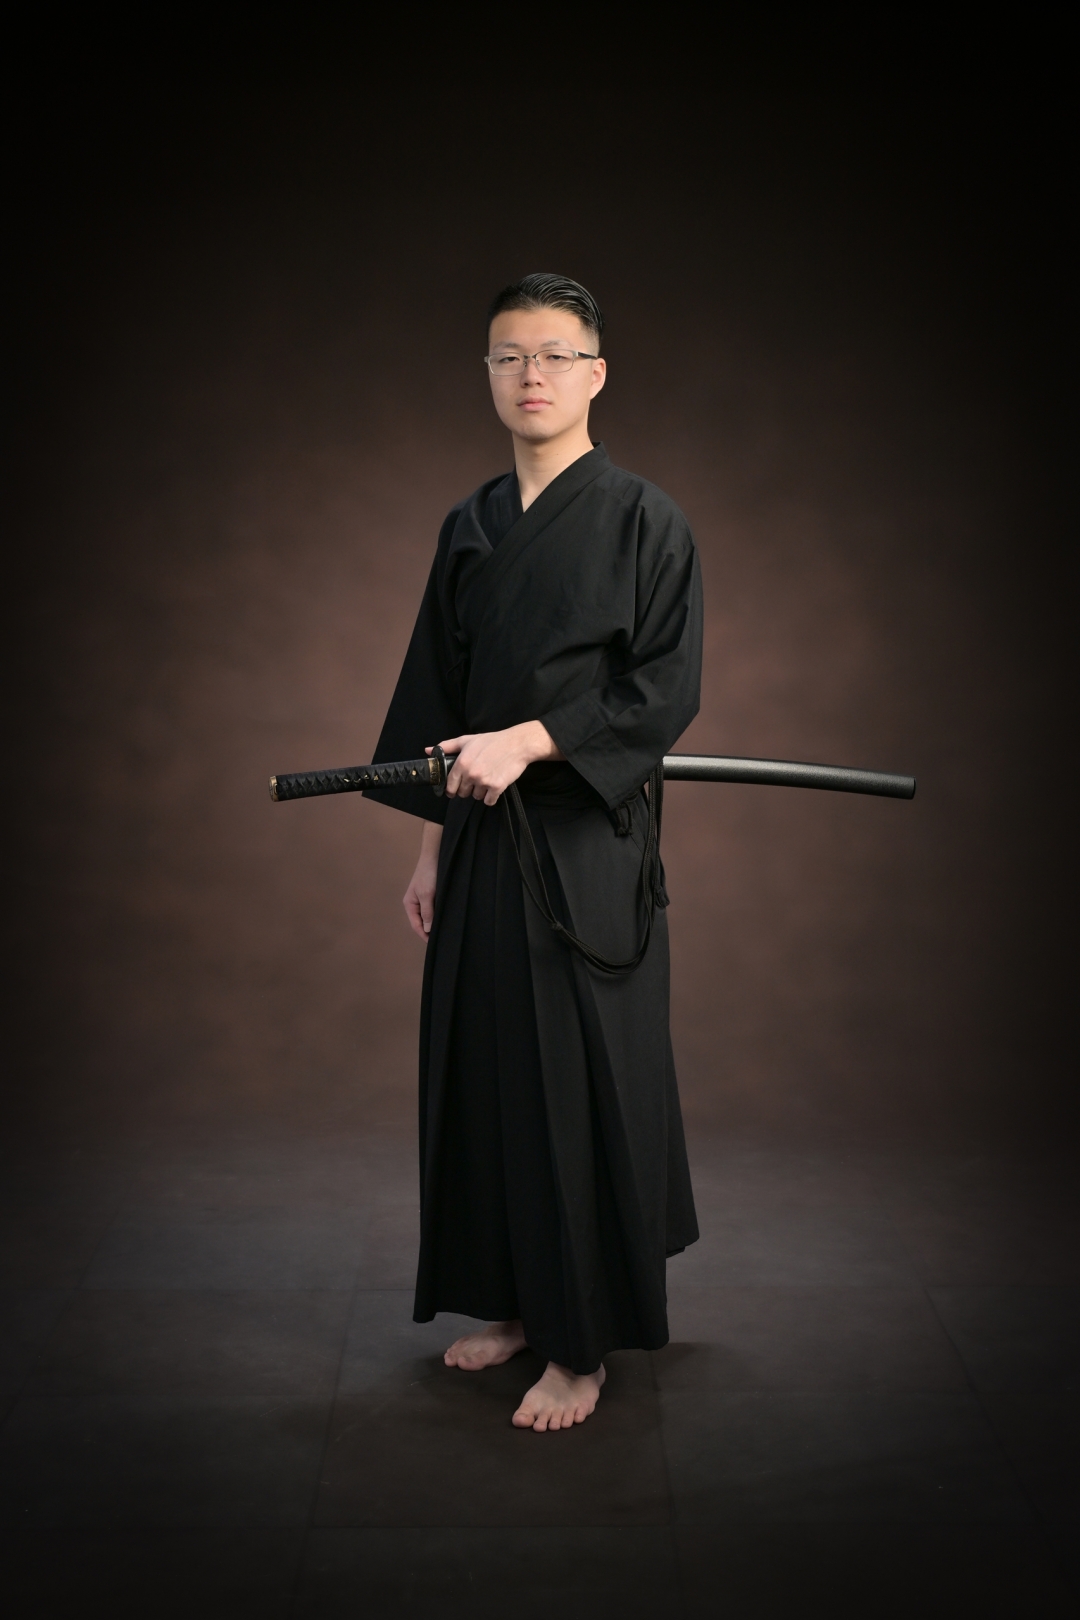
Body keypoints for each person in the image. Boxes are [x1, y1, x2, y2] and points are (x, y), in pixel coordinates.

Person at [367, 273, 702, 1431]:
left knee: (575, 1086)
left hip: (586, 847)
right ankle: (511, 1304)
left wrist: (533, 740)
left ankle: (579, 1343)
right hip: (479, 839)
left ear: (596, 373)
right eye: (509, 357)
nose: (532, 376)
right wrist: (430, 851)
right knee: (484, 1071)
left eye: (555, 355)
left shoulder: (647, 520)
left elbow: (664, 690)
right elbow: (438, 695)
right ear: (490, 377)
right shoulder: (470, 525)